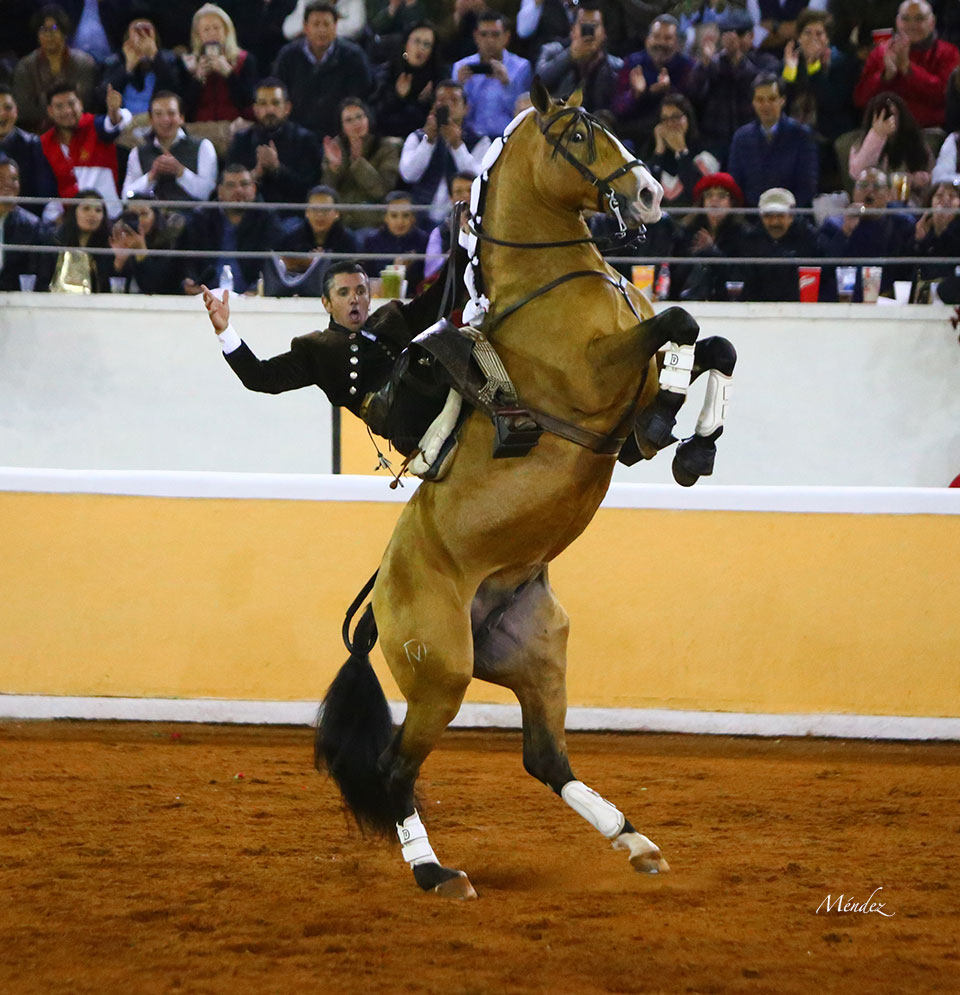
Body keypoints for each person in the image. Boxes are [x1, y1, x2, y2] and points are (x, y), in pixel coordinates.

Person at [200, 258, 452, 425]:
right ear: (327, 303)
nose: (354, 298)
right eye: (344, 293)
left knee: (462, 339)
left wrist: (464, 241)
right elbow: (259, 376)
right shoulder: (317, 349)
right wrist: (225, 331)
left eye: (360, 291)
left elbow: (440, 297)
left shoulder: (393, 316)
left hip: (440, 391)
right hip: (403, 419)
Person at [780, 7, 859, 188]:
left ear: (827, 38)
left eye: (819, 34)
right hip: (794, 133)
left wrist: (814, 68)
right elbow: (782, 101)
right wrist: (790, 70)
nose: (813, 39)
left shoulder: (843, 63)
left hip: (827, 134)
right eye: (807, 33)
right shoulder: (791, 62)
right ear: (798, 37)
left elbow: (832, 102)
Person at [272, 1, 374, 139]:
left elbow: (361, 98)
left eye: (326, 24)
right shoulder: (288, 55)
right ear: (305, 27)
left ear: (335, 26)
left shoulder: (354, 56)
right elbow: (279, 93)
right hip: (296, 134)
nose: (322, 30)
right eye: (316, 24)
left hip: (340, 134)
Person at [178, 163, 284, 295]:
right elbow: (187, 259)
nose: (238, 190)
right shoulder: (201, 217)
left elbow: (273, 262)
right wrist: (190, 281)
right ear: (220, 191)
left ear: (254, 189)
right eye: (231, 185)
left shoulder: (267, 218)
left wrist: (256, 290)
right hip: (206, 295)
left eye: (244, 184)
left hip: (251, 297)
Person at [687, 8, 777, 161]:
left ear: (752, 35)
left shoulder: (766, 61)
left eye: (740, 34)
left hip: (753, 142)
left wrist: (737, 60)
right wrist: (705, 65)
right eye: (727, 34)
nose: (733, 39)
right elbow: (694, 94)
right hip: (713, 143)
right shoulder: (711, 63)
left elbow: (760, 86)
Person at [853, 0, 960, 129]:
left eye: (919, 19)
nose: (912, 25)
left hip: (931, 130)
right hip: (885, 131)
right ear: (897, 22)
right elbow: (860, 99)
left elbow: (946, 98)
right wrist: (885, 76)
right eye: (905, 19)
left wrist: (908, 69)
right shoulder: (881, 52)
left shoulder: (949, 53)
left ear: (932, 23)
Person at [398, 79, 489, 225]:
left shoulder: (480, 141)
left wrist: (457, 145)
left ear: (466, 108)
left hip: (462, 220)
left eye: (454, 100)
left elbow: (478, 178)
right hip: (418, 219)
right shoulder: (417, 137)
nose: (448, 105)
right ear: (434, 106)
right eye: (441, 100)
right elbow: (409, 175)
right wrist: (429, 141)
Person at [818, 167, 915, 299]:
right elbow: (823, 270)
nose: (869, 190)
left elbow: (908, 269)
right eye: (863, 186)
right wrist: (845, 232)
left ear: (888, 194)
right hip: (844, 302)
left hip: (886, 302)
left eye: (876, 186)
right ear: (853, 192)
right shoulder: (834, 225)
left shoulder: (901, 224)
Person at [225, 77, 323, 207]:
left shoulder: (305, 140)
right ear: (255, 109)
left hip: (291, 215)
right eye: (263, 103)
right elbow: (226, 187)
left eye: (275, 103)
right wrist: (255, 175)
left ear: (287, 108)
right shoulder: (241, 140)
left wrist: (277, 169)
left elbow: (310, 190)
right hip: (249, 213)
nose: (269, 110)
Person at [40, 82, 132, 219]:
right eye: (59, 106)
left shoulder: (95, 125)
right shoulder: (43, 143)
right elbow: (47, 191)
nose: (67, 111)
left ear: (81, 104)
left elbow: (113, 124)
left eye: (71, 104)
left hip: (109, 218)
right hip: (69, 223)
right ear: (50, 111)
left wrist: (114, 112)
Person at [727, 72, 819, 207]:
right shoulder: (741, 137)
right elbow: (735, 184)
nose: (766, 105)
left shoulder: (801, 135)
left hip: (791, 216)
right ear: (753, 102)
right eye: (760, 100)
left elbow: (808, 185)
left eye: (772, 99)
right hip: (752, 217)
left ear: (782, 100)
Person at [612, 14, 695, 147]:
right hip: (634, 135)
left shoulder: (688, 67)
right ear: (647, 40)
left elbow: (692, 108)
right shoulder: (632, 63)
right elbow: (617, 109)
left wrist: (668, 92)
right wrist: (635, 94)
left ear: (677, 43)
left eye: (668, 38)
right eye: (656, 37)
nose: (661, 43)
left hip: (674, 136)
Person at [12, 4, 98, 132]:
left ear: (64, 32)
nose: (48, 35)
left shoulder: (84, 63)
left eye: (53, 28)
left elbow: (87, 101)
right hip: (38, 134)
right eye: (43, 29)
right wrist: (62, 112)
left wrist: (45, 104)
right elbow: (23, 109)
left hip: (80, 130)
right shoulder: (24, 67)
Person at [121, 90, 219, 203]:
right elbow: (126, 195)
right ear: (151, 120)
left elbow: (208, 193)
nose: (165, 119)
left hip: (194, 217)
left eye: (171, 113)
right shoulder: (138, 152)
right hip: (150, 217)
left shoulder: (203, 147)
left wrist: (180, 172)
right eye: (158, 114)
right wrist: (151, 176)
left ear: (182, 118)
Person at [320, 98, 401, 229]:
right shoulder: (335, 147)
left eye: (360, 117)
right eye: (349, 120)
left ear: (368, 118)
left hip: (372, 222)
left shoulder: (387, 147)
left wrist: (358, 162)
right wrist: (333, 167)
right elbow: (326, 193)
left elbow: (382, 191)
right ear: (342, 126)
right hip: (339, 222)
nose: (356, 123)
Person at [451, 10, 533, 139]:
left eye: (495, 35)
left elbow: (523, 113)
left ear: (506, 37)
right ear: (476, 36)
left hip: (507, 138)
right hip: (470, 139)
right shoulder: (461, 67)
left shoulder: (521, 68)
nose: (489, 40)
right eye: (484, 34)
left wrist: (507, 84)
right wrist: (460, 87)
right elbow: (460, 116)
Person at [266, 185, 359, 296]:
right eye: (314, 209)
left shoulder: (348, 240)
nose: (319, 215)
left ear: (337, 213)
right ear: (307, 212)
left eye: (325, 210)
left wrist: (320, 262)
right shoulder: (292, 238)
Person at [535, 2, 623, 113]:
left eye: (594, 25)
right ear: (572, 30)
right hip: (559, 122)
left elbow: (613, 107)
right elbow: (539, 82)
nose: (588, 32)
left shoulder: (616, 66)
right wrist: (569, 56)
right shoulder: (552, 51)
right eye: (583, 25)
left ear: (604, 33)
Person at [848, 91, 933, 204]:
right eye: (882, 115)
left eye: (892, 114)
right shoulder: (861, 143)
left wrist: (916, 179)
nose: (888, 119)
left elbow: (932, 175)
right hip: (873, 203)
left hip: (909, 202)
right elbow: (857, 173)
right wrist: (877, 135)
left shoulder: (917, 142)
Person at [677, 171, 749, 301]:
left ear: (732, 202)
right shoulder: (689, 231)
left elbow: (739, 276)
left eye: (721, 196)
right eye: (709, 196)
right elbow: (677, 273)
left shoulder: (742, 234)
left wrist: (712, 252)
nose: (714, 200)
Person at [740, 186, 821, 301]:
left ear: (791, 216)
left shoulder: (809, 239)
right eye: (768, 216)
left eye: (780, 215)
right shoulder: (751, 240)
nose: (774, 222)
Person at [181, 3, 258, 123]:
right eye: (206, 29)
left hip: (236, 126)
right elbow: (184, 107)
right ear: (198, 35)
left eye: (217, 28)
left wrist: (229, 74)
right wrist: (198, 79)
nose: (212, 33)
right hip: (200, 127)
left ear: (226, 31)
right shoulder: (188, 63)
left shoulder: (245, 60)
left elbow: (248, 102)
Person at [98, 16, 183, 118]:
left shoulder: (169, 60)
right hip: (124, 123)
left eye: (147, 30)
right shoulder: (115, 61)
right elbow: (103, 96)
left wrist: (154, 56)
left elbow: (175, 91)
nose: (142, 35)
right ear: (127, 37)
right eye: (137, 30)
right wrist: (128, 67)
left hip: (158, 121)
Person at [646, 93, 719, 209]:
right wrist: (659, 151)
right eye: (665, 119)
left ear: (688, 118)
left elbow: (697, 192)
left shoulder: (706, 150)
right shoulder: (651, 150)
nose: (670, 124)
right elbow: (647, 193)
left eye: (676, 117)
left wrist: (681, 151)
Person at [373, 22, 445, 139]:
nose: (421, 48)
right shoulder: (386, 72)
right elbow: (375, 116)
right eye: (416, 41)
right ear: (406, 43)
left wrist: (430, 100)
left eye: (427, 44)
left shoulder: (439, 76)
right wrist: (398, 97)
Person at [0, 85, 59, 220]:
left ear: (17, 111)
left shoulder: (32, 144)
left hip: (23, 222)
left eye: (8, 108)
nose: (2, 113)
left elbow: (44, 191)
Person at [108, 192, 184, 294]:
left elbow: (152, 287)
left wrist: (141, 250)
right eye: (133, 215)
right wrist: (119, 263)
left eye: (144, 214)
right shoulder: (115, 240)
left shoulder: (168, 243)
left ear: (155, 216)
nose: (139, 220)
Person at [0, 155, 52, 292]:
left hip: (17, 301)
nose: (8, 184)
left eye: (13, 179)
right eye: (0, 178)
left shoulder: (33, 226)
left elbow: (41, 274)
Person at [361, 190, 429, 289]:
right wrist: (394, 270)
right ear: (385, 218)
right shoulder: (372, 241)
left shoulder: (423, 240)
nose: (400, 222)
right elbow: (367, 279)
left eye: (405, 215)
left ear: (413, 218)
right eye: (394, 216)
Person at [53, 189, 114, 291]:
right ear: (74, 212)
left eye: (98, 210)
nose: (92, 214)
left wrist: (117, 265)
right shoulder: (56, 243)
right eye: (86, 208)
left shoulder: (109, 247)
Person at [423, 170, 474, 279]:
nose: (465, 196)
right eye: (458, 192)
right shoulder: (440, 233)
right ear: (451, 198)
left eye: (470, 190)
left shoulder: (491, 227)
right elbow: (431, 273)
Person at [913, 179, 960, 292]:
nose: (945, 200)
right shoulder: (921, 226)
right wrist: (919, 241)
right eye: (939, 195)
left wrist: (944, 231)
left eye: (952, 196)